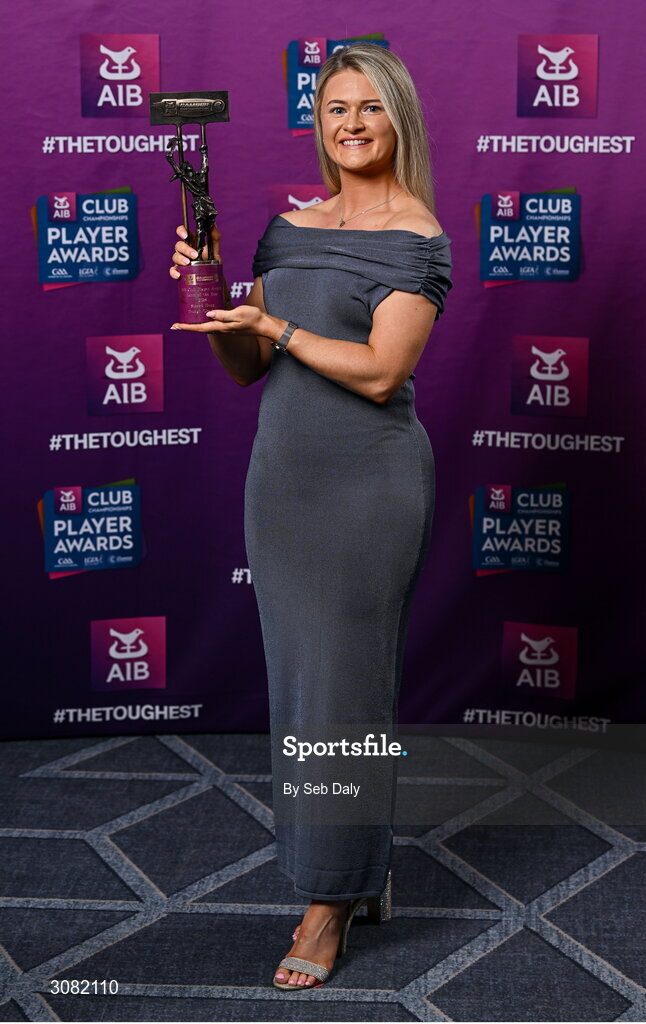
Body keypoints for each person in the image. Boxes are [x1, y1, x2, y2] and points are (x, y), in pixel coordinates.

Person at [169, 42, 453, 991]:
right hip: (282, 483)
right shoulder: (287, 230)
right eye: (336, 109)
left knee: (346, 695)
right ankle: (356, 869)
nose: (353, 124)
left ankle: (327, 904)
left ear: (398, 119)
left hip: (368, 487)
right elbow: (252, 370)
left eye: (370, 107)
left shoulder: (420, 237)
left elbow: (379, 373)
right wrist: (210, 295)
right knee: (304, 695)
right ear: (318, 123)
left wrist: (275, 324)